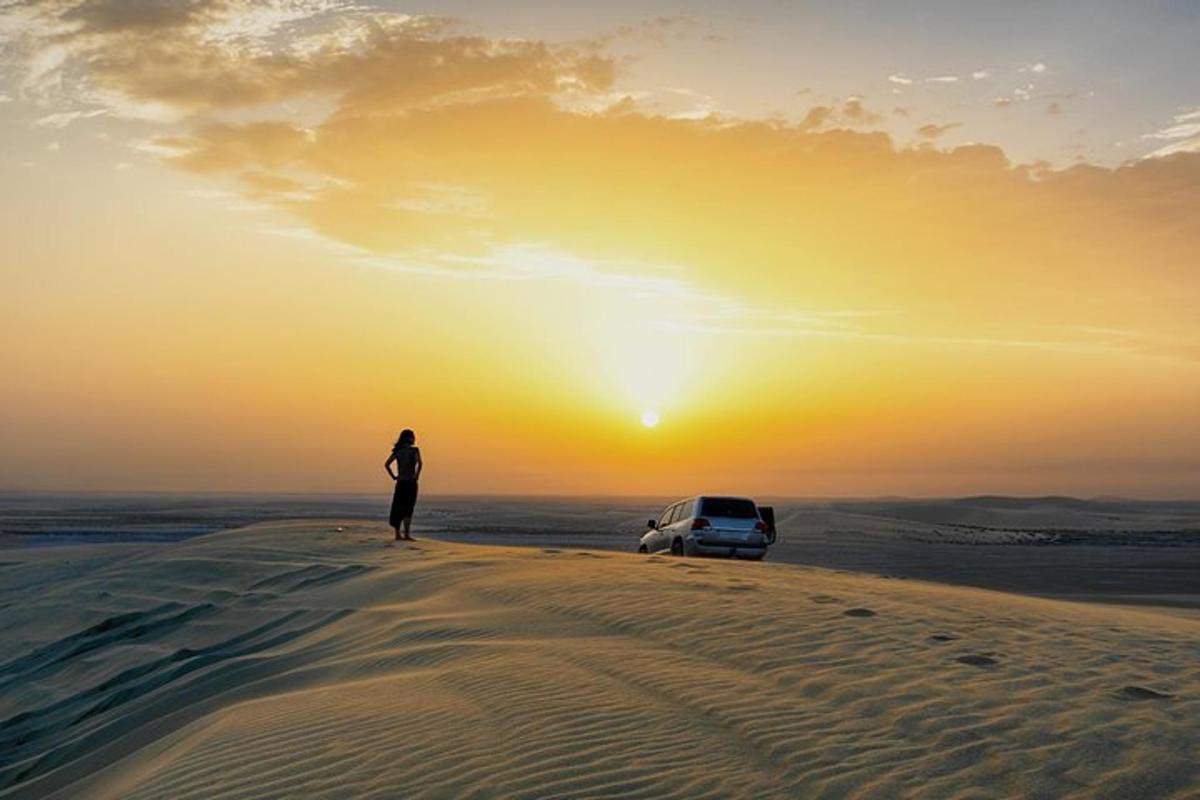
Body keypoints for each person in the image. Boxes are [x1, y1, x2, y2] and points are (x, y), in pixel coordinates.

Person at [385, 429, 422, 541]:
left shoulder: (398, 451)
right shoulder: (414, 450)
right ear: (410, 438)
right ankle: (406, 534)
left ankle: (397, 534)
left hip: (400, 482)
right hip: (410, 482)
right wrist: (417, 475)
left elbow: (387, 464)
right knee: (408, 508)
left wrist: (394, 476)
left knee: (398, 507)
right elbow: (420, 463)